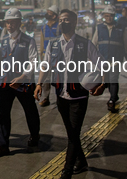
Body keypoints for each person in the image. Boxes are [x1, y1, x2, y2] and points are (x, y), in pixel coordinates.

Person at [35, 9, 106, 179]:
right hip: (61, 95)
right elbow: (45, 66)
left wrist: (103, 83)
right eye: (60, 20)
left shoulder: (85, 43)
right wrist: (39, 84)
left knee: (73, 133)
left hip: (79, 96)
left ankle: (67, 170)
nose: (62, 23)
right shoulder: (53, 45)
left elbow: (102, 63)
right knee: (72, 133)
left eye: (66, 20)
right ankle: (81, 162)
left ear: (74, 23)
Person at [0, 7, 40, 158]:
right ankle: (2, 145)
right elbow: (2, 61)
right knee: (3, 114)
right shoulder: (3, 41)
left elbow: (33, 61)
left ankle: (35, 136)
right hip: (6, 83)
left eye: (12, 22)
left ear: (19, 23)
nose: (9, 26)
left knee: (30, 111)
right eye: (7, 23)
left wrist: (23, 77)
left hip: (23, 83)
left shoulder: (28, 40)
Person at [91, 5, 127, 113]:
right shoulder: (99, 28)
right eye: (106, 15)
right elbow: (94, 44)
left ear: (114, 16)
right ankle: (114, 96)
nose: (108, 18)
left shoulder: (121, 28)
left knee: (113, 80)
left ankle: (112, 100)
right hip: (103, 61)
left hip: (116, 60)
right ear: (104, 16)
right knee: (107, 81)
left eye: (111, 16)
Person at [38, 5, 59, 107]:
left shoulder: (60, 26)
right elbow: (42, 41)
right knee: (46, 78)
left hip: (58, 56)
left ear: (54, 15)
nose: (47, 14)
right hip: (47, 56)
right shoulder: (44, 27)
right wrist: (41, 53)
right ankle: (45, 98)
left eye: (49, 12)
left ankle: (60, 97)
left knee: (58, 77)